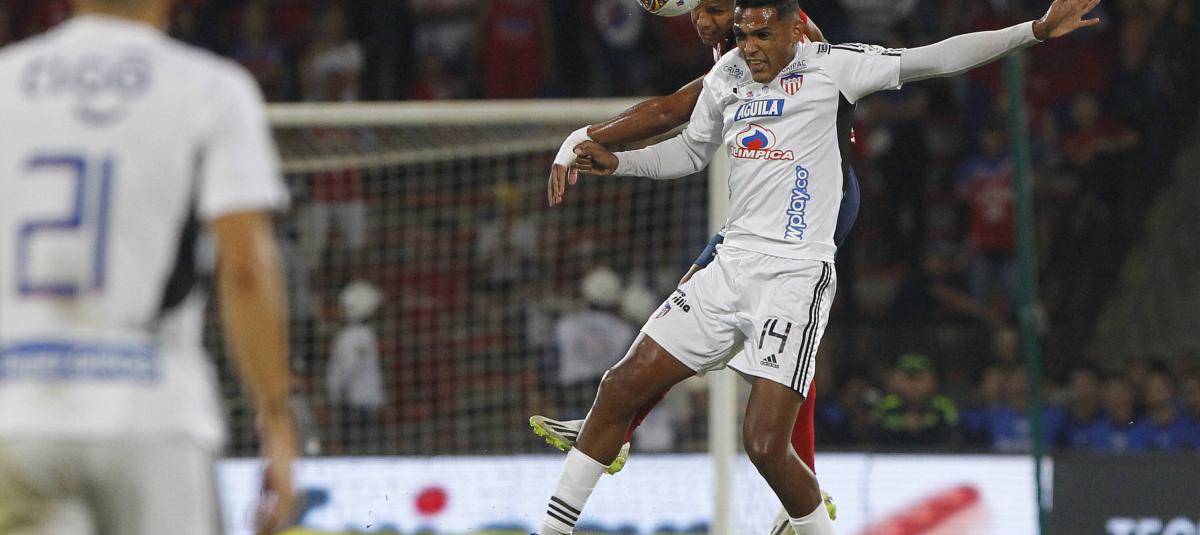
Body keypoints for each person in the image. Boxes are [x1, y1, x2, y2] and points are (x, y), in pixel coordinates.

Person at [539, 0, 1100, 533]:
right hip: (731, 262)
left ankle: (808, 504)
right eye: (743, 35)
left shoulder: (835, 66)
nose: (749, 47)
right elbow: (689, 150)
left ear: (796, 29)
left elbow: (937, 56)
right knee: (620, 384)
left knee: (764, 445)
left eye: (762, 35)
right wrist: (618, 162)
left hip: (794, 274)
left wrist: (1034, 30)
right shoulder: (728, 74)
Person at [0, 0, 297, 533]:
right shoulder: (209, 88)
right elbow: (246, 268)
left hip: (16, 411)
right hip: (151, 411)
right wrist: (275, 418)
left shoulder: (7, 81)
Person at [326, 280, 386, 454]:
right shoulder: (366, 334)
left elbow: (348, 367)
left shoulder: (350, 336)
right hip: (365, 401)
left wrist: (337, 391)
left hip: (353, 402)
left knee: (354, 448)